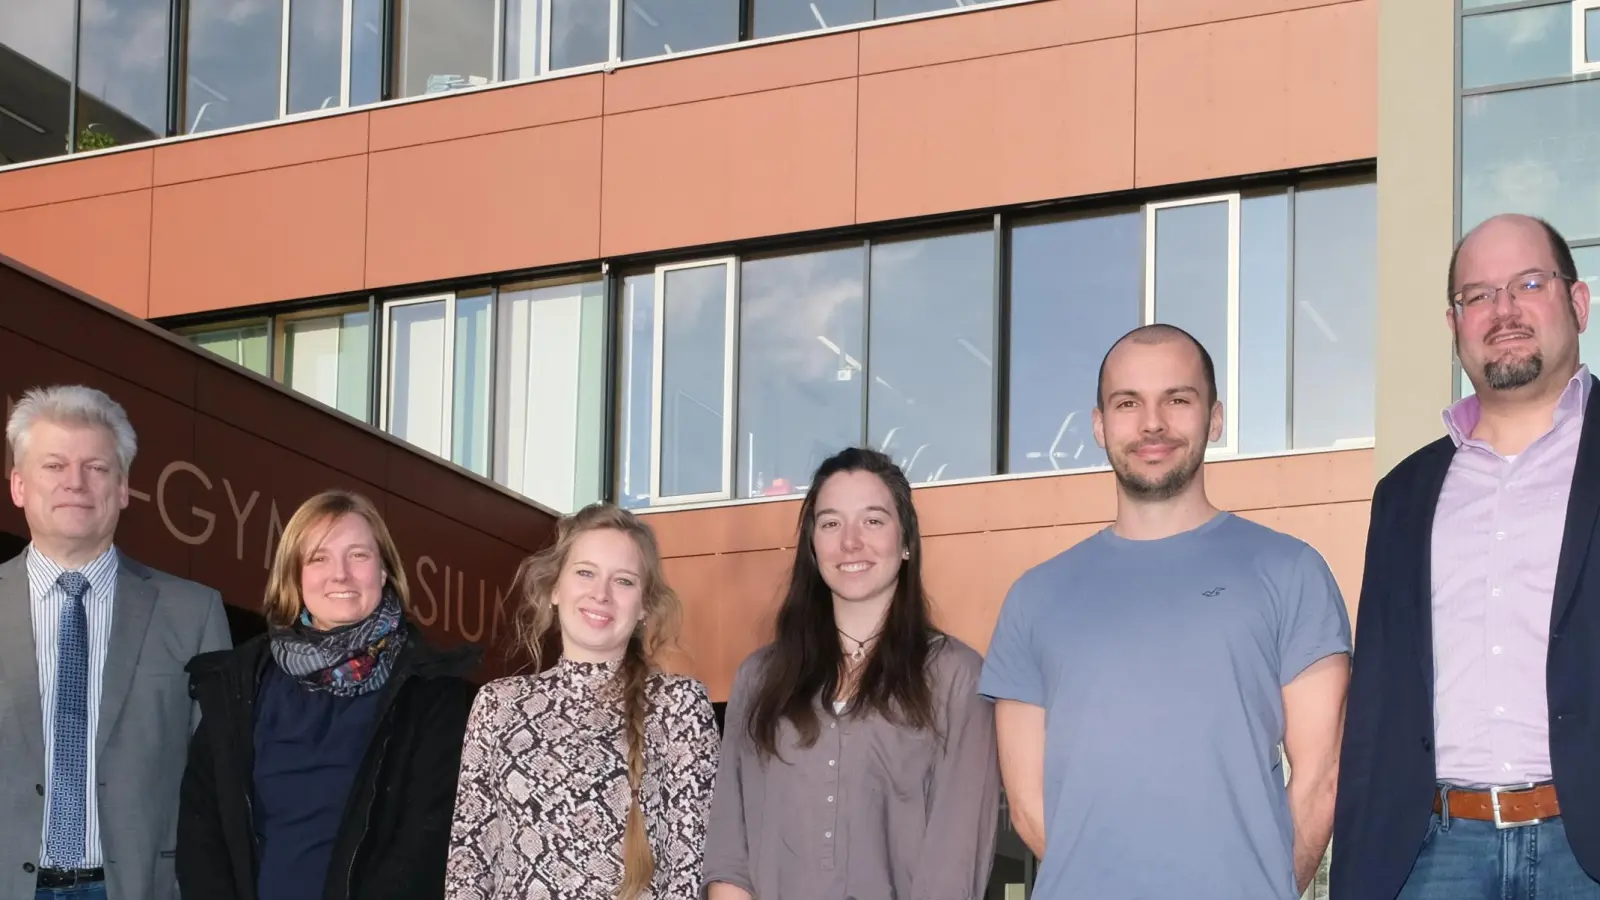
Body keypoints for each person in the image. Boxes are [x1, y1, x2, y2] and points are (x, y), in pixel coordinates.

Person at [980, 325, 1351, 899]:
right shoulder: (1035, 598)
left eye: (1177, 399)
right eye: (1128, 403)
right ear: (1100, 425)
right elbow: (1029, 807)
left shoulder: (1290, 571)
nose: (1153, 423)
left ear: (1215, 419)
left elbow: (1322, 778)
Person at [1331, 214, 1600, 899]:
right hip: (1433, 857)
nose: (1503, 310)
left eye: (1528, 283)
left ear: (1578, 303)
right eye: (1477, 295)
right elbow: (1377, 702)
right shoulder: (1403, 495)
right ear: (1455, 326)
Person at [703, 447, 1001, 900]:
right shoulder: (760, 677)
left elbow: (956, 864)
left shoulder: (957, 677)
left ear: (905, 542)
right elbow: (729, 846)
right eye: (830, 523)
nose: (850, 542)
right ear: (812, 545)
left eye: (873, 520)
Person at [176, 489, 479, 900]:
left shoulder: (430, 693)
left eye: (358, 555)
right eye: (319, 558)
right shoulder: (236, 683)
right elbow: (203, 831)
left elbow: (427, 844)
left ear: (385, 571)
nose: (341, 575)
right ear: (294, 575)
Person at [0, 385, 232, 900]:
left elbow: (221, 780)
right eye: (54, 466)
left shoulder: (193, 613)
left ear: (124, 488)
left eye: (97, 468)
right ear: (18, 485)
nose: (76, 483)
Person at [446, 502, 719, 899]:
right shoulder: (497, 704)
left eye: (623, 581)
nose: (601, 594)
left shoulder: (679, 706)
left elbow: (689, 867)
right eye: (586, 573)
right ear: (555, 587)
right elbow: (468, 861)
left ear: (644, 605)